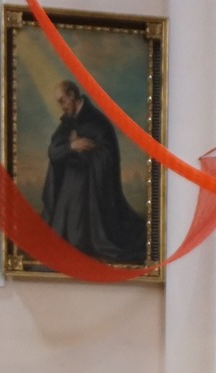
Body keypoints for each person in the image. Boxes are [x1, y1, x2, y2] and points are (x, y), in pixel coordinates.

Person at [42, 79, 148, 265]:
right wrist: (71, 147)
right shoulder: (67, 122)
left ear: (72, 95)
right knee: (59, 240)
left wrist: (82, 154)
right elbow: (53, 151)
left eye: (63, 101)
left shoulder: (97, 121)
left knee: (80, 240)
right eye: (59, 102)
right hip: (69, 189)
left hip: (89, 191)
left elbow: (107, 156)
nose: (61, 107)